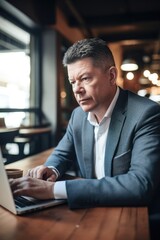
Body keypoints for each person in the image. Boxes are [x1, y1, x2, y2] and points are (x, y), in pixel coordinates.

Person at [10, 38, 160, 212]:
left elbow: (140, 185)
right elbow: (62, 153)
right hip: (90, 208)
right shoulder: (78, 116)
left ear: (111, 76)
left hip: (131, 214)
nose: (76, 89)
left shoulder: (146, 113)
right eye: (73, 82)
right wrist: (51, 170)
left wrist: (51, 190)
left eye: (85, 78)